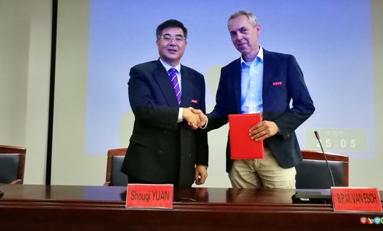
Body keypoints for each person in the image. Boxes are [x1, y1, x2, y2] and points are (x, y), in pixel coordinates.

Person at [193, 10, 315, 189]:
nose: (238, 37)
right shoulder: (228, 72)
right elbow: (222, 112)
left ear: (257, 29)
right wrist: (204, 120)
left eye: (243, 30)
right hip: (240, 158)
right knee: (242, 208)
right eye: (233, 33)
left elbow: (305, 106)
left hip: (276, 154)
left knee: (281, 207)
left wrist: (277, 126)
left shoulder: (285, 63)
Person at [121, 19, 208, 187]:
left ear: (185, 44)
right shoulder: (142, 72)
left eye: (178, 38)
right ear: (157, 42)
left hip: (183, 167)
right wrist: (182, 113)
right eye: (167, 37)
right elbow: (143, 110)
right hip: (148, 167)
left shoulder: (196, 78)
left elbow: (199, 121)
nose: (173, 43)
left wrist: (201, 162)